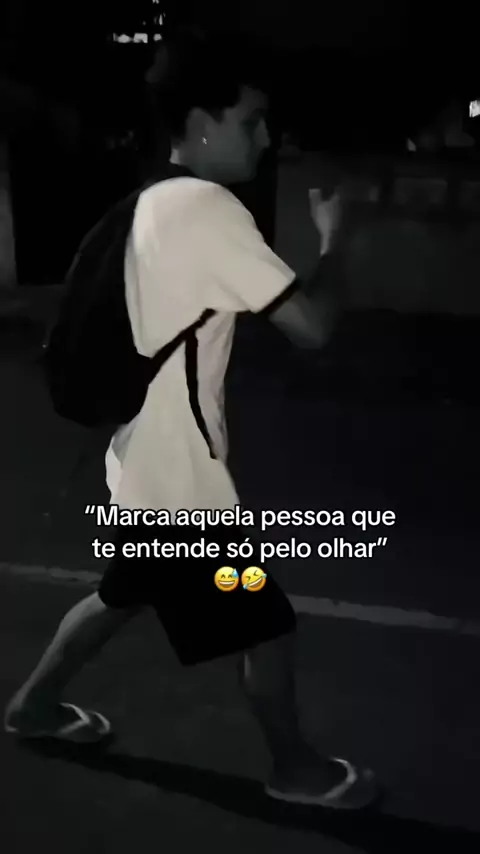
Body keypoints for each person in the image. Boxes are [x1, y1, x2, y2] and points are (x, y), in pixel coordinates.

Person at [4, 31, 377, 810]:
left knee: (123, 593)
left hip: (138, 465)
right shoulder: (206, 209)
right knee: (266, 622)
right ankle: (296, 771)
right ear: (201, 123)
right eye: (252, 121)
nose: (266, 138)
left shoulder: (147, 203)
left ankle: (33, 707)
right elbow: (313, 327)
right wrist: (336, 240)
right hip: (180, 490)